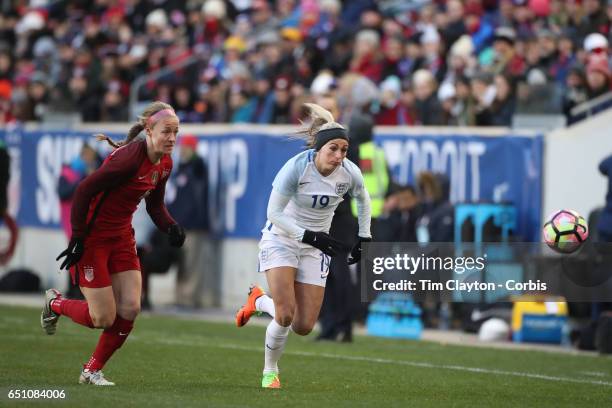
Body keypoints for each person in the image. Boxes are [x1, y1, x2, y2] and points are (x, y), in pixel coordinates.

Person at [40, 101, 186, 386]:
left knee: (131, 307)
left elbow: (155, 206)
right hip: (93, 238)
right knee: (103, 318)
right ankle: (55, 303)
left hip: (121, 236)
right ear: (149, 130)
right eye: (166, 131)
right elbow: (84, 190)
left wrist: (171, 226)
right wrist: (78, 238)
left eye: (175, 132)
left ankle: (91, 370)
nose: (171, 138)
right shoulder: (129, 160)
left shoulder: (165, 163)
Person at [235, 103, 372, 389]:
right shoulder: (297, 167)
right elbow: (273, 213)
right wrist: (308, 235)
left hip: (315, 247)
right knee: (285, 314)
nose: (339, 156)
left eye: (344, 150)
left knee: (304, 326)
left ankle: (258, 301)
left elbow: (363, 198)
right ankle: (270, 371)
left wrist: (364, 236)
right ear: (319, 149)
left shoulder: (349, 172)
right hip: (282, 238)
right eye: (333, 149)